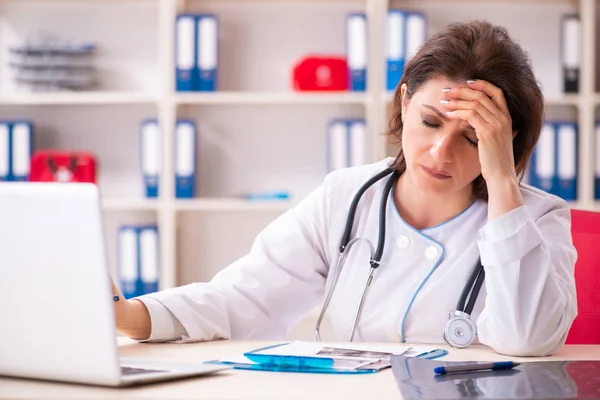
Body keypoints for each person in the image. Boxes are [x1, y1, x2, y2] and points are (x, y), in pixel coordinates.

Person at [112, 19, 577, 357]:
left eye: (473, 137)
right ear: (404, 101)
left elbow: (528, 338)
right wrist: (131, 316)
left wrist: (500, 180)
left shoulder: (536, 219)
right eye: (430, 122)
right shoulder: (348, 195)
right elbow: (244, 296)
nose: (439, 153)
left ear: (504, 139)